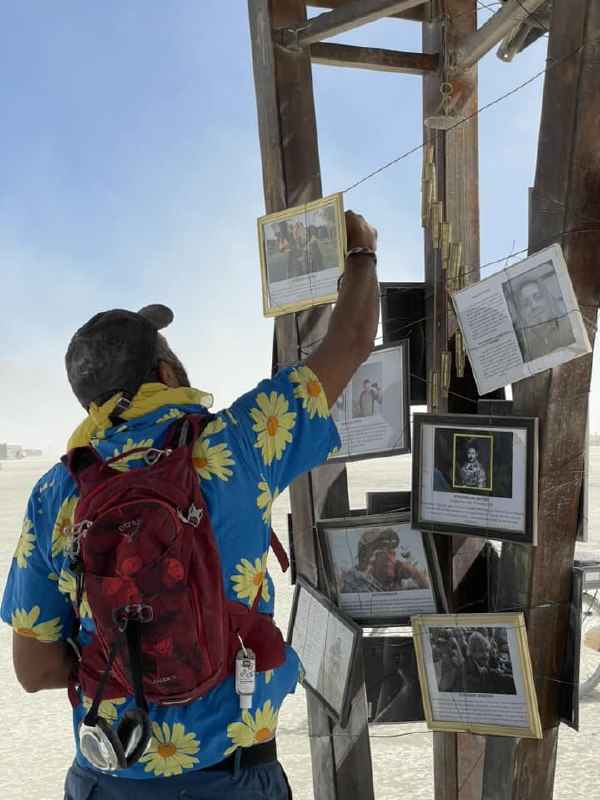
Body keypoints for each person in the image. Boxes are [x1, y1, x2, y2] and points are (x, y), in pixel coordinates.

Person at [0, 210, 379, 799]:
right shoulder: (238, 441)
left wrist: (126, 656)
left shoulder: (57, 492)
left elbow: (35, 671)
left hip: (111, 779)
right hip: (234, 777)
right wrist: (362, 253)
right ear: (166, 370)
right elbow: (351, 343)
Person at [508, 271, 575, 362]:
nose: (534, 306)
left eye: (538, 297)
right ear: (521, 312)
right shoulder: (522, 344)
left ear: (547, 299)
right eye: (526, 303)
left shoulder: (570, 326)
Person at [341, 528, 430, 594]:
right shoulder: (354, 580)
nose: (390, 551)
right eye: (383, 545)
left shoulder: (385, 585)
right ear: (364, 554)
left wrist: (415, 574)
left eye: (392, 546)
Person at [441, 631, 516, 695]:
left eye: (486, 651)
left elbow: (489, 673)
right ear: (472, 652)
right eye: (481, 650)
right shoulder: (465, 672)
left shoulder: (481, 662)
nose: (486, 655)